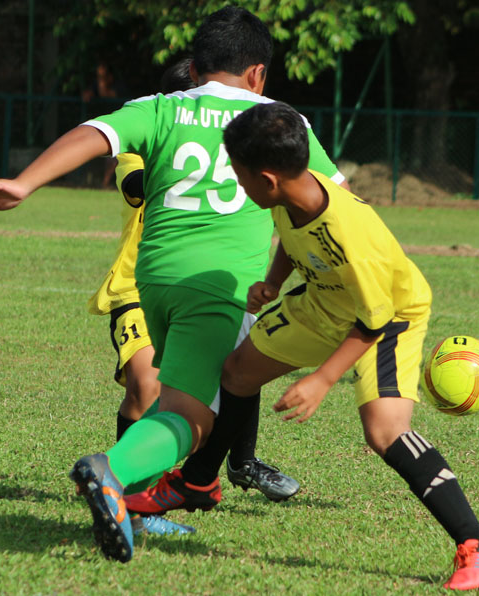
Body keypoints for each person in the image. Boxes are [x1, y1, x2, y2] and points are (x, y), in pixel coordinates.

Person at [0, 6, 347, 563]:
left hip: (154, 280)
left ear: (194, 67)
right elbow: (335, 198)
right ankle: (111, 471)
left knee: (182, 399)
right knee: (191, 420)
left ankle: (134, 497)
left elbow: (95, 133)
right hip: (220, 286)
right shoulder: (278, 121)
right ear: (258, 73)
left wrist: (24, 184)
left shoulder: (161, 107)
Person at [217, 101, 479, 591]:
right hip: (327, 300)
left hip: (389, 315)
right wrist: (274, 281)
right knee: (237, 373)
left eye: (239, 173)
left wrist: (321, 380)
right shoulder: (294, 193)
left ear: (267, 179)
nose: (237, 181)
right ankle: (197, 483)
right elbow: (293, 236)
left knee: (385, 431)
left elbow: (375, 320)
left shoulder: (352, 232)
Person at [93, 57, 299, 508]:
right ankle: (125, 488)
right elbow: (136, 186)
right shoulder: (145, 140)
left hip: (205, 285)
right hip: (137, 287)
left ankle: (234, 463)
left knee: (236, 368)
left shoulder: (236, 149)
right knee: (146, 388)